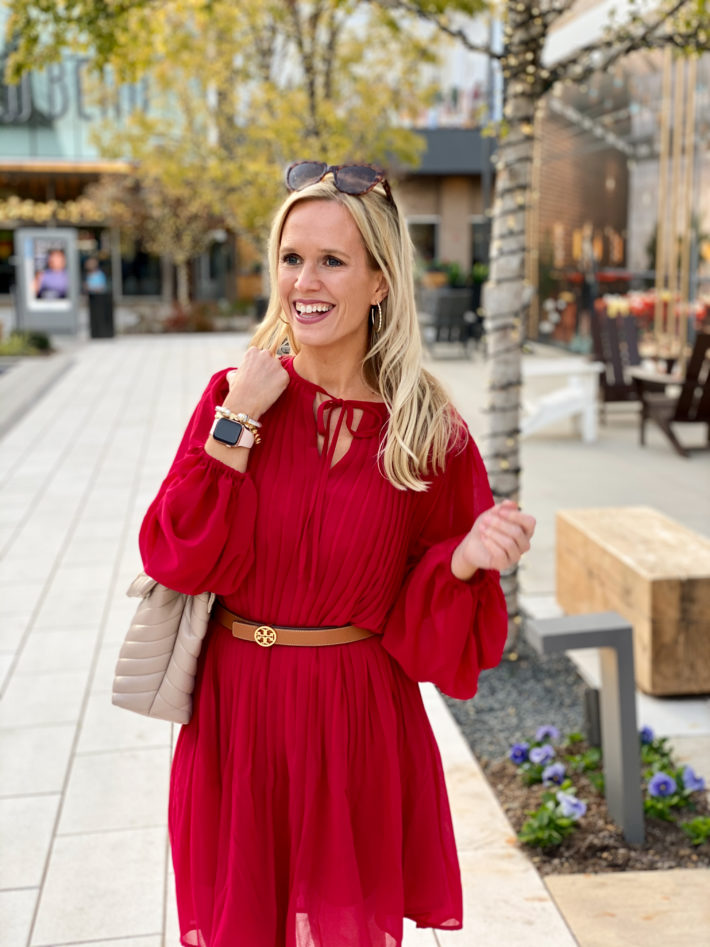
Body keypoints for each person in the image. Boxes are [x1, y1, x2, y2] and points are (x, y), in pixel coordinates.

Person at [139, 161, 536, 947]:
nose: (304, 281)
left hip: (356, 720)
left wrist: (464, 558)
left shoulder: (429, 432)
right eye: (291, 257)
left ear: (381, 282)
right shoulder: (236, 391)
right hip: (237, 716)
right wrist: (238, 422)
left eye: (332, 260)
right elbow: (175, 553)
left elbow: (437, 643)